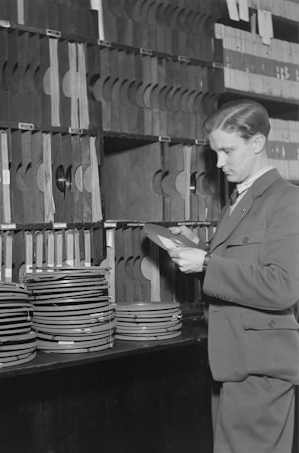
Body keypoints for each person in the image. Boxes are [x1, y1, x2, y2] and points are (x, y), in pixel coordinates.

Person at [168, 99, 299, 453]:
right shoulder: (239, 201)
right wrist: (199, 253)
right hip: (233, 360)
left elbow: (282, 286)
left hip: (261, 368)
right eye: (215, 154)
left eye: (227, 151)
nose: (219, 163)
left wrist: (208, 264)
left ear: (257, 143)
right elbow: (242, 272)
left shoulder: (287, 201)